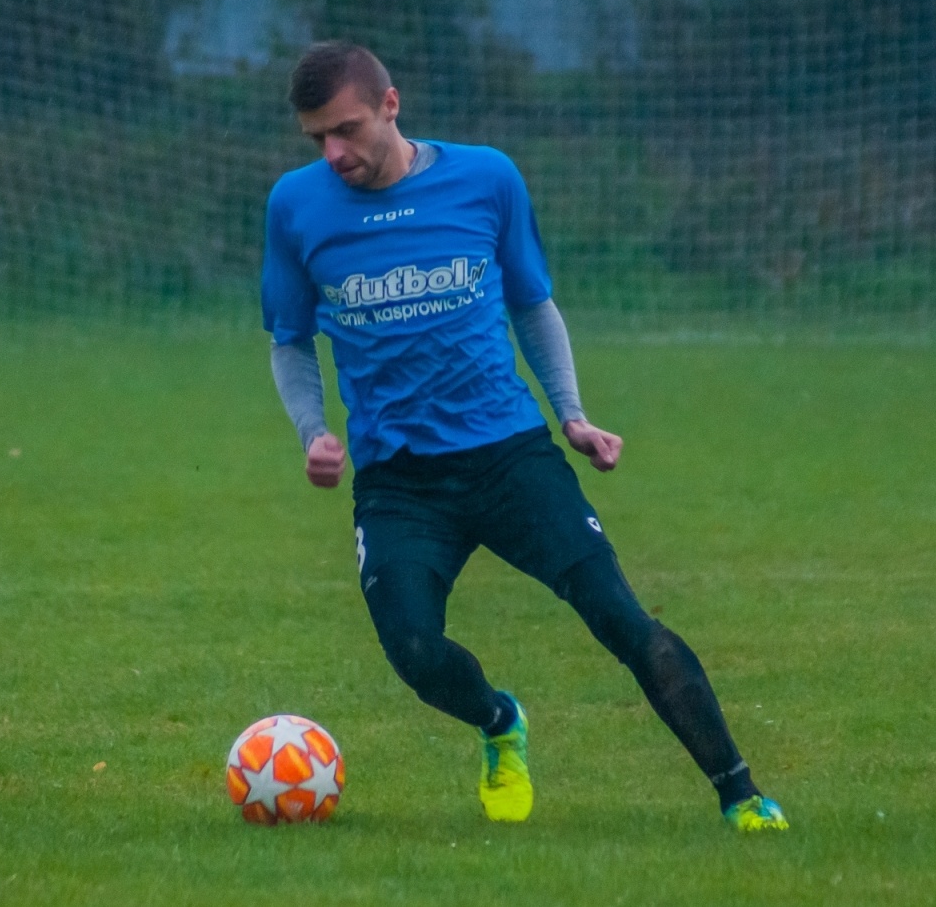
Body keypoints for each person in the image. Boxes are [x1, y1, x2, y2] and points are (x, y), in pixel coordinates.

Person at [261, 41, 788, 830]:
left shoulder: (486, 178)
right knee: (412, 650)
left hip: (509, 455)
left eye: (348, 129)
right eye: (317, 139)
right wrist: (312, 432)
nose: (334, 153)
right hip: (400, 481)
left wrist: (571, 412)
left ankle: (742, 796)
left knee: (621, 619)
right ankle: (500, 723)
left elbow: (531, 303)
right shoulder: (295, 207)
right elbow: (290, 339)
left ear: (391, 105)